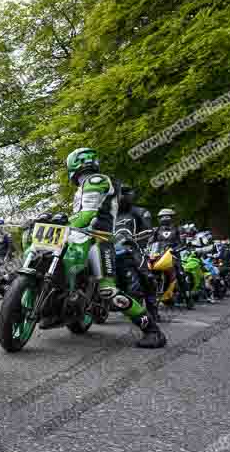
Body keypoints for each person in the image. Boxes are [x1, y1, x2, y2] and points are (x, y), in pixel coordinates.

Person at [66, 148, 167, 348]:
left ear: (74, 165)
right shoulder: (81, 189)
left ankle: (153, 331)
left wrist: (64, 223)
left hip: (99, 240)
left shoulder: (96, 180)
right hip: (79, 239)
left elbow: (88, 214)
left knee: (108, 291)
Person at [115, 184, 159, 318]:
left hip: (133, 249)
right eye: (119, 193)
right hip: (111, 249)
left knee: (148, 278)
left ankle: (152, 312)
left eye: (124, 192)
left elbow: (149, 230)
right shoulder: (111, 216)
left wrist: (132, 238)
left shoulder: (139, 212)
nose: (121, 196)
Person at [152, 208, 193, 308]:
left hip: (174, 255)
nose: (164, 218)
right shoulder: (156, 230)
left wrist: (177, 249)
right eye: (162, 216)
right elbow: (151, 242)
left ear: (172, 218)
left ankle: (188, 299)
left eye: (167, 216)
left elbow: (182, 242)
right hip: (159, 256)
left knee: (181, 275)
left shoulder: (178, 229)